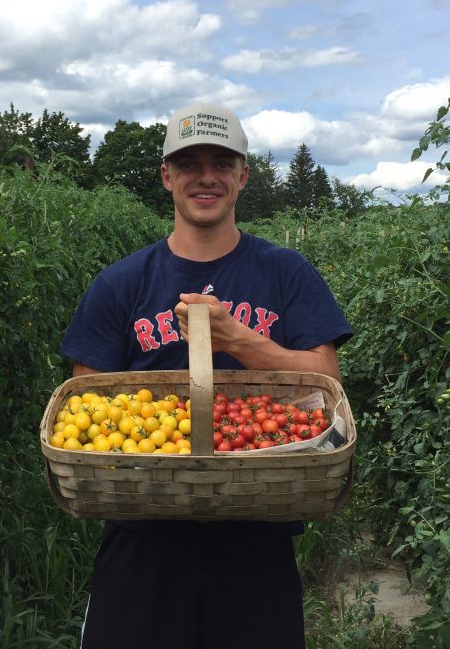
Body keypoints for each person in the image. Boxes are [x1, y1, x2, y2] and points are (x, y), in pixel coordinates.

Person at [60, 101, 353, 649]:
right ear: (167, 176)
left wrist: (236, 339)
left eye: (221, 163)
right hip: (142, 536)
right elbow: (84, 409)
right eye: (189, 163)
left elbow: (325, 384)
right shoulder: (120, 283)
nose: (206, 177)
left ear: (242, 175)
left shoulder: (286, 272)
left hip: (257, 534)